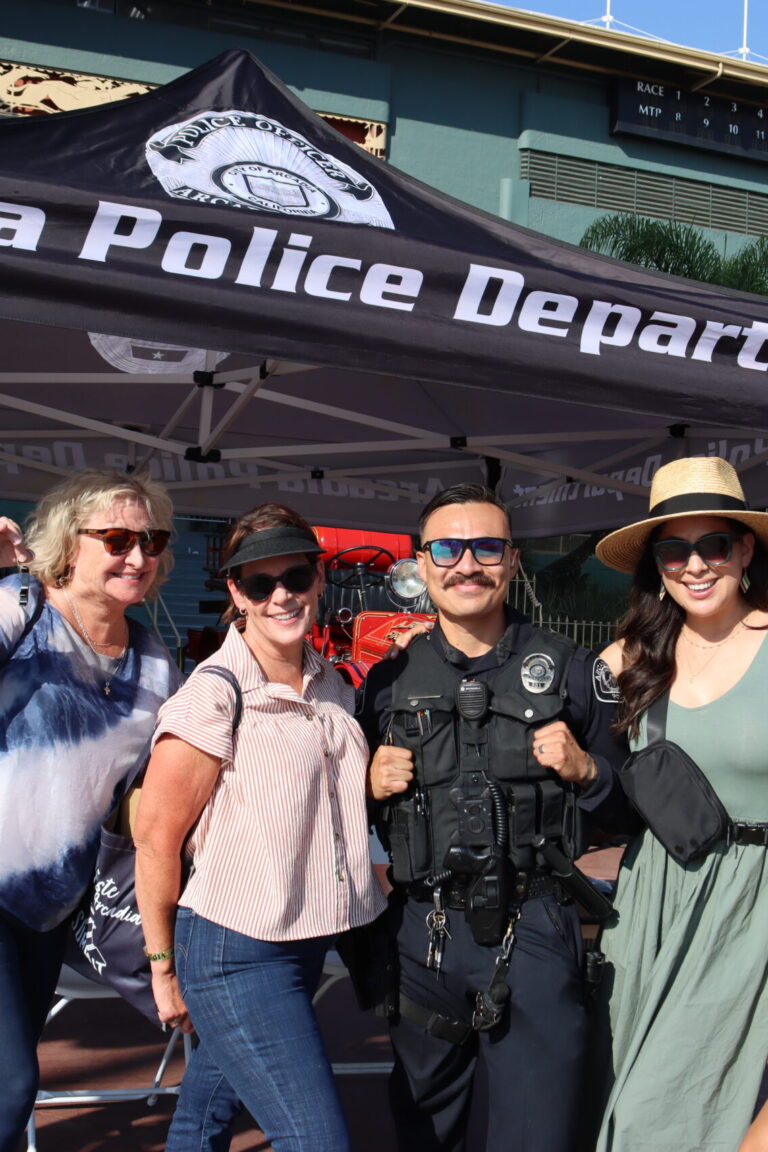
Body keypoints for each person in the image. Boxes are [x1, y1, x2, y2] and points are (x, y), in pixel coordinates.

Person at [357, 482, 630, 1152]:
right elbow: (332, 815)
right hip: (424, 933)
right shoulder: (386, 683)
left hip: (535, 925)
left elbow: (631, 809)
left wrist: (588, 773)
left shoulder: (572, 671)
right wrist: (364, 785)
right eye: (447, 548)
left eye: (486, 547)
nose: (466, 565)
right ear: (421, 565)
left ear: (512, 562)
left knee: (540, 1133)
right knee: (422, 1128)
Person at [133, 503, 386, 1152]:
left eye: (296, 577)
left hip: (304, 937)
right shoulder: (214, 695)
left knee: (203, 1120)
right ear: (235, 593)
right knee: (316, 1140)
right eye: (259, 583)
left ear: (318, 582)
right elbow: (157, 839)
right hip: (233, 950)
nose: (281, 596)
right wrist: (163, 970)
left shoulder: (332, 686)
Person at [0, 469, 180, 1152]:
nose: (137, 555)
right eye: (116, 538)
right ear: (67, 544)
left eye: (151, 539)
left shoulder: (156, 665)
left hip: (52, 908)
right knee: (12, 1086)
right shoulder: (22, 609)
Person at [593, 455, 768, 1152]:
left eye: (712, 545)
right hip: (649, 908)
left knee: (661, 1117)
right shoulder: (630, 658)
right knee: (629, 1102)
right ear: (655, 563)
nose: (694, 565)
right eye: (674, 549)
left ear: (745, 549)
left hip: (750, 907)